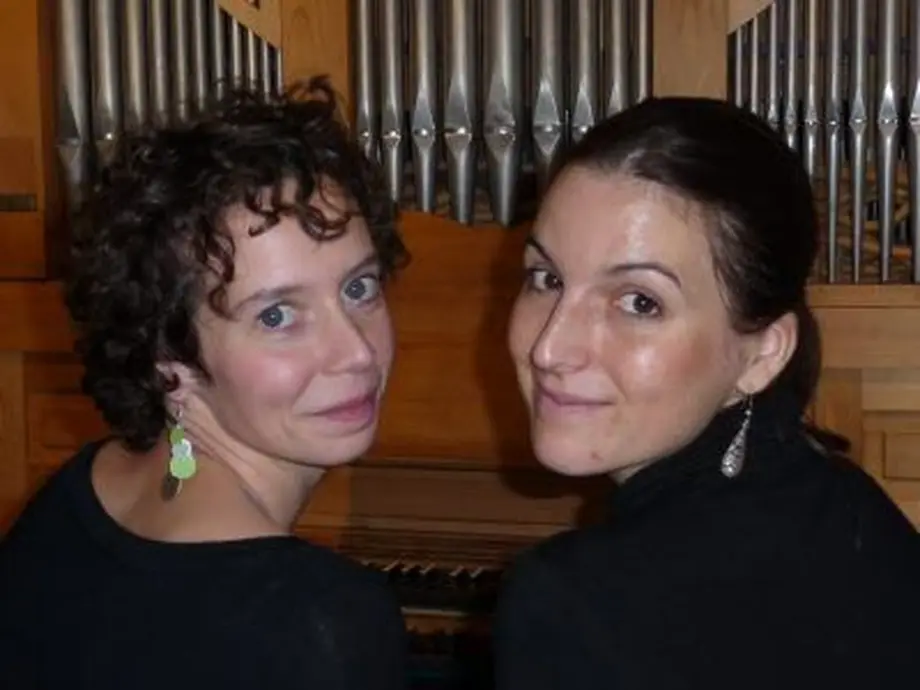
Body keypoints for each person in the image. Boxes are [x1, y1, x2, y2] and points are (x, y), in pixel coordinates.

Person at [493, 97, 920, 689]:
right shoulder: (854, 507)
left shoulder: (573, 600)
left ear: (762, 354)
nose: (550, 348)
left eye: (639, 302)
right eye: (547, 279)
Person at [0, 77, 408, 689]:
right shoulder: (318, 621)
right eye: (277, 316)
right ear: (171, 364)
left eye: (359, 287)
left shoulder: (79, 491)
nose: (357, 351)